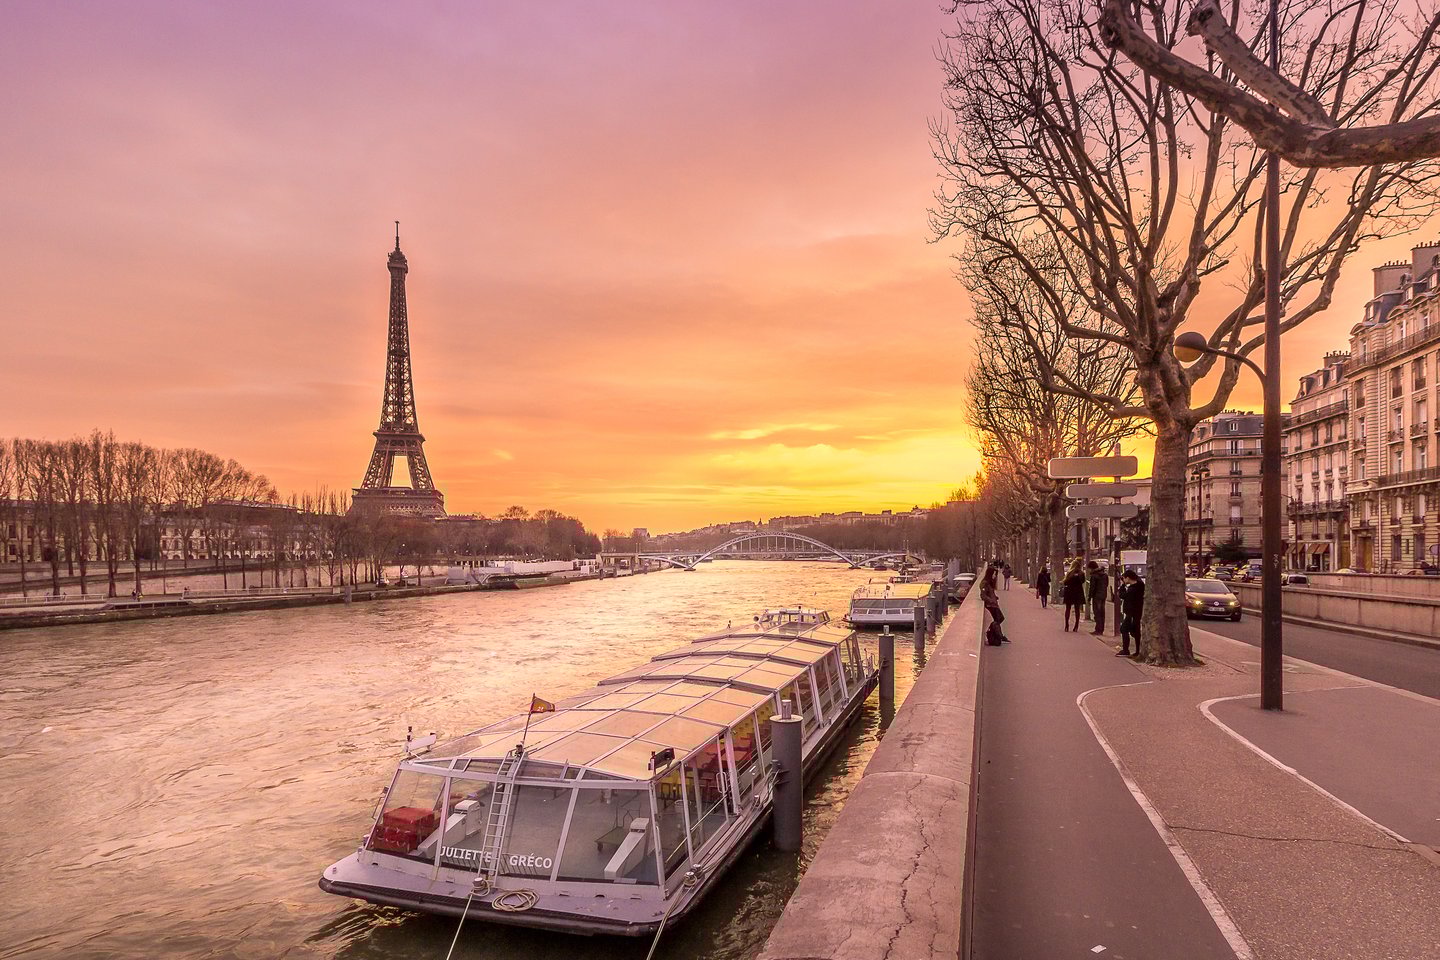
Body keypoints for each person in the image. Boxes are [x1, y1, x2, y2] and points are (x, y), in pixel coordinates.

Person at [1117, 570, 1145, 656]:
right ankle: (1137, 650)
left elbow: (1122, 595)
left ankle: (1126, 650)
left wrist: (1122, 586)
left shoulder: (1133, 589)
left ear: (1128, 578)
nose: (1124, 580)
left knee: (1124, 629)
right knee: (1135, 632)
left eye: (1124, 578)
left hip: (1132, 613)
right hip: (1135, 612)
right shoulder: (1139, 586)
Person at [980, 565, 1009, 644]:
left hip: (994, 604)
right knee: (998, 619)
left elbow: (990, 593)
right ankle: (996, 635)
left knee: (999, 619)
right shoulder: (985, 583)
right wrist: (991, 600)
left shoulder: (990, 583)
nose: (995, 576)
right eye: (994, 574)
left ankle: (997, 634)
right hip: (991, 605)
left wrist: (995, 597)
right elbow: (983, 595)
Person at [1062, 561, 1086, 632]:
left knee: (1068, 609)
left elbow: (1065, 582)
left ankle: (1066, 625)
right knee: (1077, 609)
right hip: (1078, 592)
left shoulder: (1069, 573)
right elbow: (1083, 581)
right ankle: (1076, 626)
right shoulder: (1081, 573)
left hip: (1069, 592)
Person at [1087, 561, 1109, 636]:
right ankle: (1101, 629)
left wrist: (1089, 597)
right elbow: (1106, 585)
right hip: (1103, 595)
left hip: (1096, 596)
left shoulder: (1094, 576)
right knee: (1102, 613)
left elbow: (1092, 588)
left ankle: (1098, 629)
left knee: (1097, 613)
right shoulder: (1105, 575)